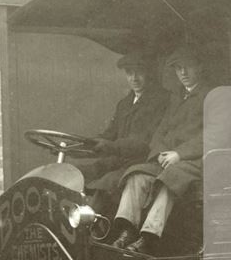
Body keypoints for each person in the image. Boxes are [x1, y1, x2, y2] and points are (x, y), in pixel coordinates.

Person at [110, 42, 231, 255]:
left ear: (200, 67)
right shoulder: (177, 97)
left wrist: (179, 154)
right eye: (178, 68)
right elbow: (161, 130)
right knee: (137, 175)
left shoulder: (216, 95)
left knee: (173, 177)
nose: (183, 73)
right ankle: (127, 231)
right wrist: (159, 153)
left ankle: (148, 237)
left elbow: (216, 135)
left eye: (188, 67)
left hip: (200, 162)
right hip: (171, 159)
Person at [72, 50, 168, 213]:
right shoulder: (124, 104)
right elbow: (109, 134)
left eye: (139, 72)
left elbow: (143, 142)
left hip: (141, 162)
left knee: (107, 182)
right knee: (76, 173)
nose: (134, 78)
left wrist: (109, 146)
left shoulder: (160, 101)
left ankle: (91, 229)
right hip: (117, 160)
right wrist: (80, 145)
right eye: (129, 73)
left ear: (148, 73)